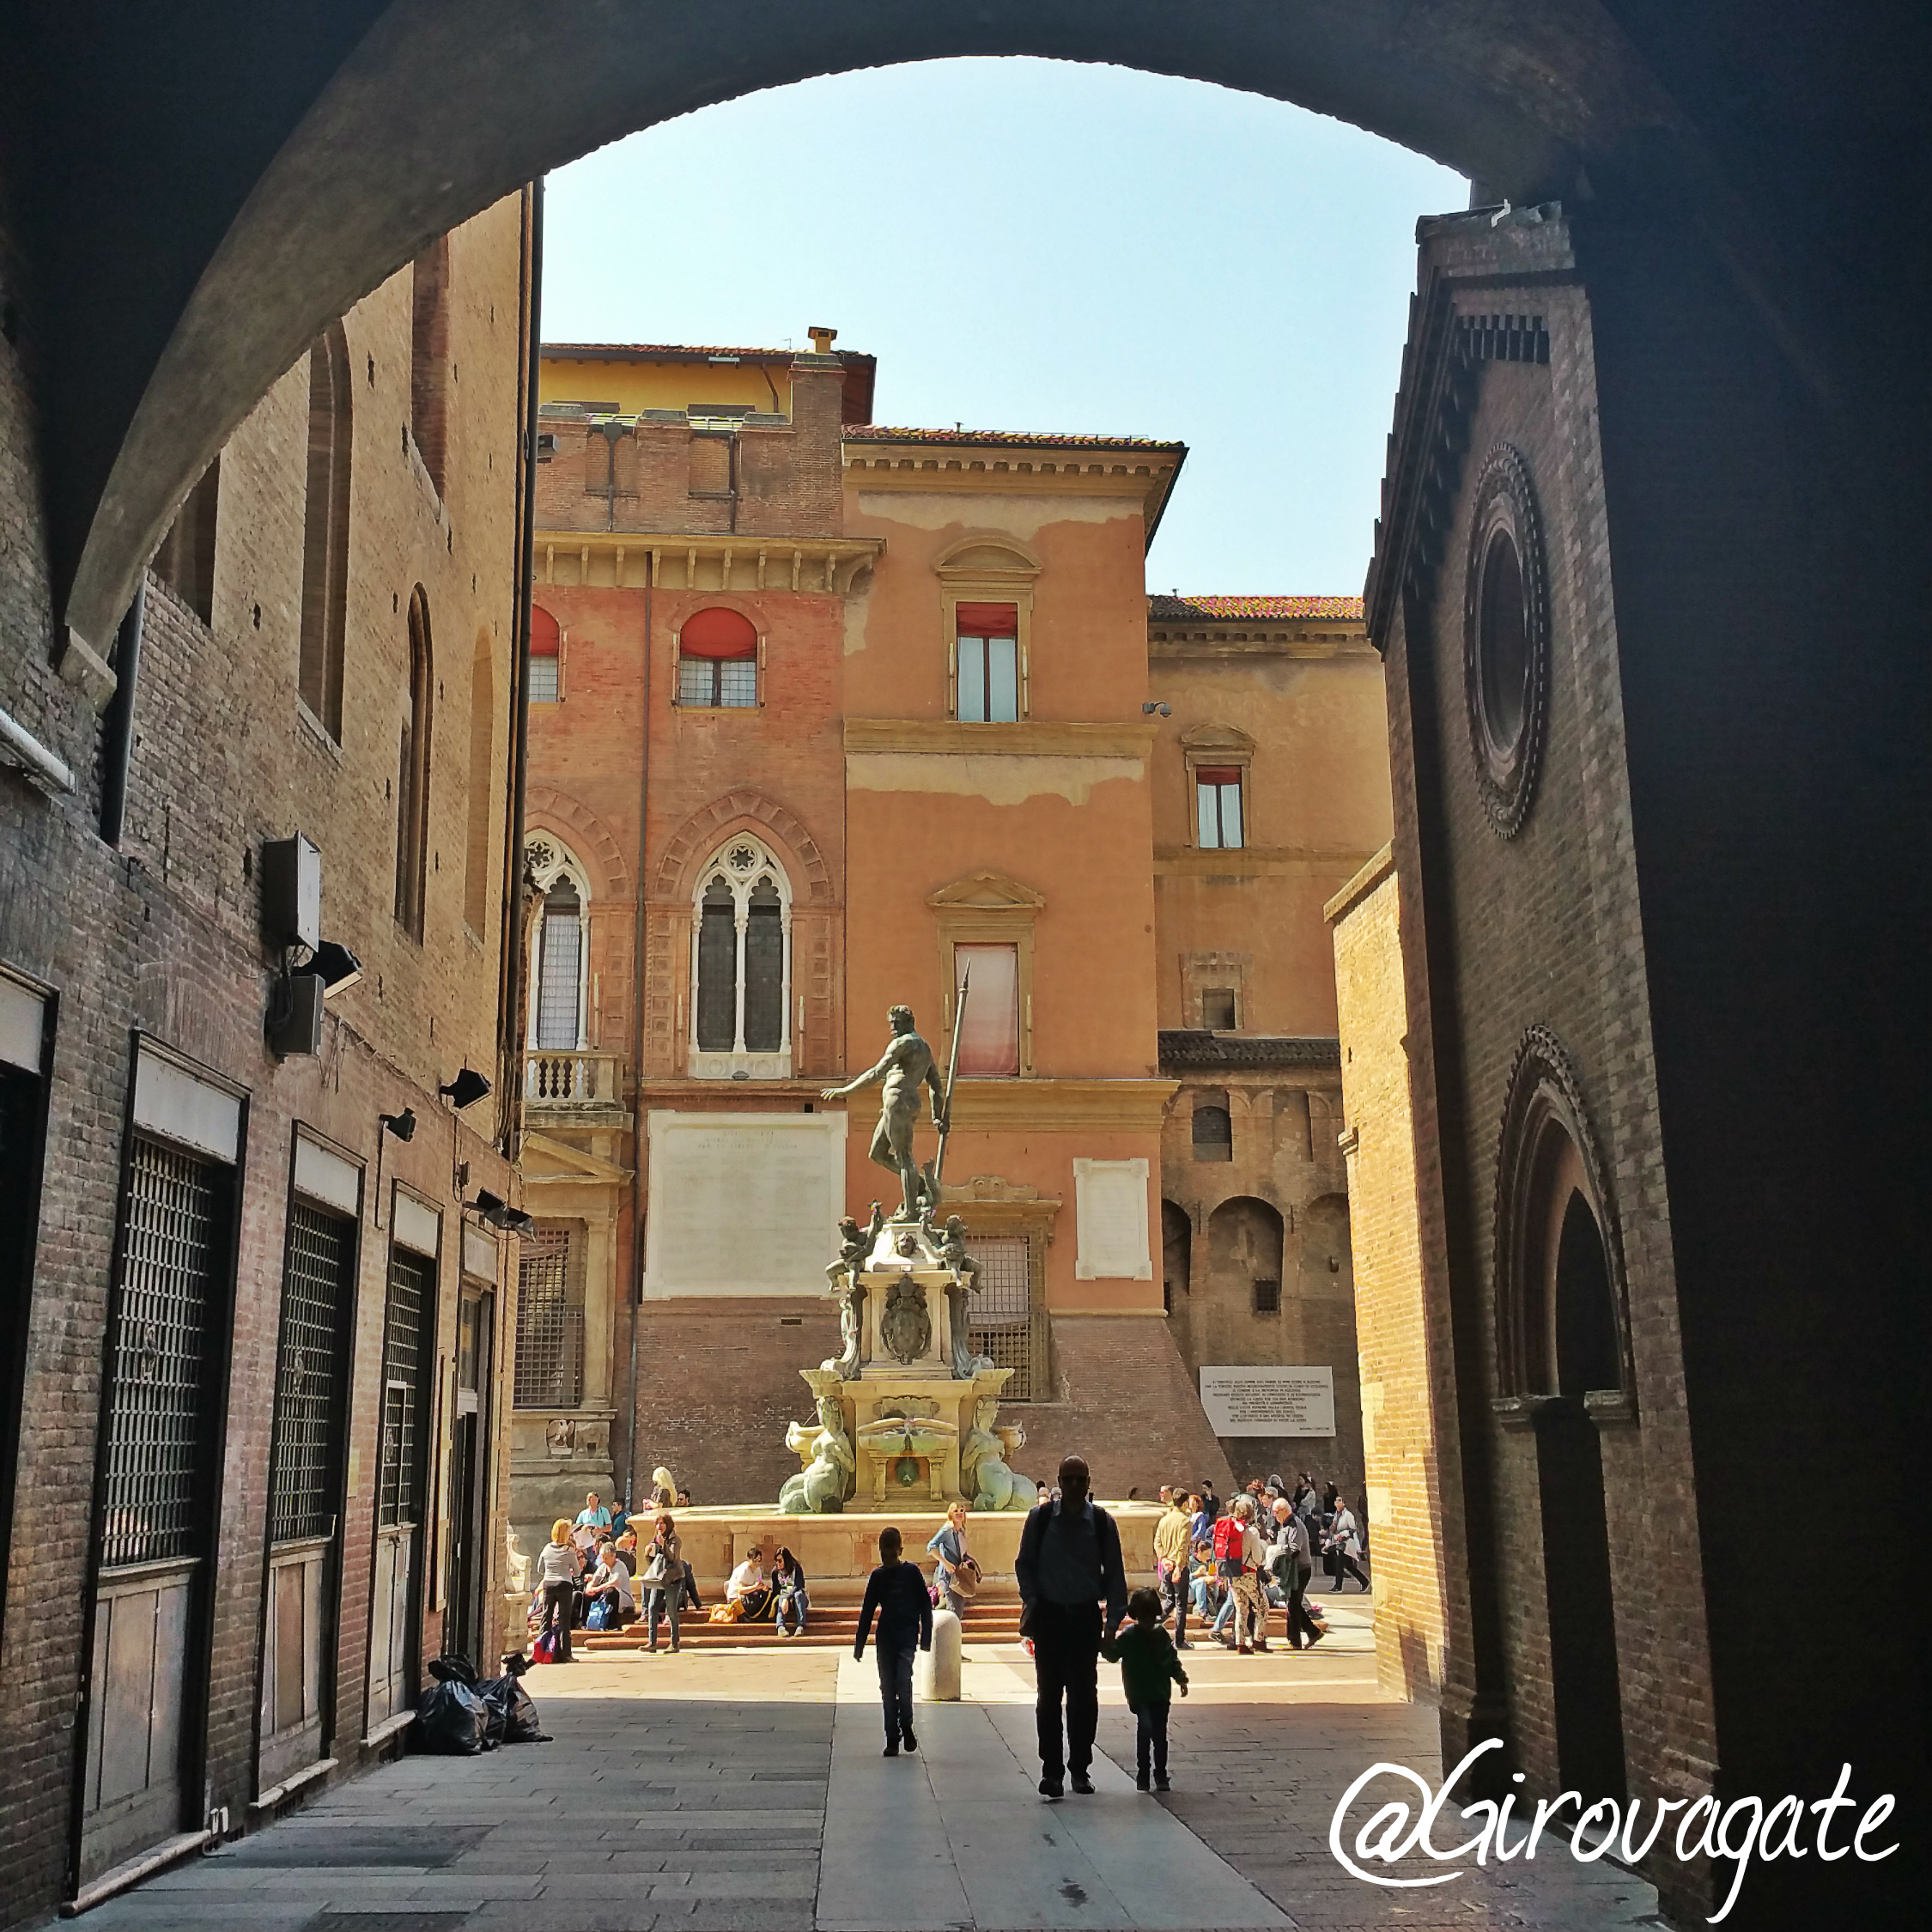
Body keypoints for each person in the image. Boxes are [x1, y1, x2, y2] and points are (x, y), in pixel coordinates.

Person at [1014, 1454, 1127, 1800]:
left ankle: (1080, 1767)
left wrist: (1111, 1627)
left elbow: (1115, 1576)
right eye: (1070, 1479)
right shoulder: (1041, 1518)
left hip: (1083, 1617)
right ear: (1060, 1483)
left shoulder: (1104, 1523)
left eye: (1081, 1479)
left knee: (1083, 1698)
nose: (1076, 1485)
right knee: (1048, 1697)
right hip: (1049, 1616)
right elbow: (1024, 1565)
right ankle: (1051, 1771)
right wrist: (1033, 1600)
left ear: (1089, 1482)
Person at [819, 1004, 951, 1221]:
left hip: (897, 1099)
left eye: (896, 1023)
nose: (892, 1028)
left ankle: (909, 1211)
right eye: (891, 1023)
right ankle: (917, 1184)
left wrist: (846, 1090)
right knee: (877, 1153)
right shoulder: (925, 1049)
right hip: (904, 1102)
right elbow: (936, 1085)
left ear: (909, 1022)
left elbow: (876, 1072)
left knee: (904, 1156)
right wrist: (937, 1115)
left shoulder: (903, 1043)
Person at [854, 1526, 933, 1757]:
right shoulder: (886, 1575)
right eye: (884, 1550)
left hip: (900, 1635)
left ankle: (902, 1729)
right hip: (893, 1636)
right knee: (892, 1685)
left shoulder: (907, 1573)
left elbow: (925, 1606)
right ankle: (895, 1734)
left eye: (889, 1550)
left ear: (899, 1549)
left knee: (898, 1683)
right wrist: (859, 1644)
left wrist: (926, 1637)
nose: (887, 1554)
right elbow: (867, 1611)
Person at [1103, 1585, 1188, 1791]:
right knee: (1157, 1734)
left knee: (1148, 1731)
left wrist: (1104, 1641)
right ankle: (1157, 1775)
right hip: (1157, 1692)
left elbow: (1113, 1655)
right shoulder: (1159, 1635)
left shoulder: (1130, 1635)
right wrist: (1180, 1678)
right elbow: (1172, 1660)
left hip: (1140, 1692)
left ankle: (1148, 1775)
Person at [1271, 1498, 1323, 1649]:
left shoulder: (1294, 1525)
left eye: (1276, 1512)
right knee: (1293, 1604)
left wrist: (1279, 1557)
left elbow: (1294, 1548)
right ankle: (1313, 1632)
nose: (1274, 1515)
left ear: (1284, 1510)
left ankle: (1295, 1641)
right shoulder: (1284, 1525)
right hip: (1291, 1570)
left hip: (1299, 1569)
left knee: (1293, 1604)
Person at [1153, 1487, 1195, 1649]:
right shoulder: (1185, 1521)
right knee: (1180, 1604)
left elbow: (1157, 1542)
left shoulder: (1164, 1520)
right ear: (1184, 1503)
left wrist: (1163, 1559)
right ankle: (1179, 1639)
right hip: (1179, 1566)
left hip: (1166, 1565)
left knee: (1170, 1600)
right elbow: (1182, 1546)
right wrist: (1178, 1566)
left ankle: (1153, 1624)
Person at [534, 1517, 580, 1662]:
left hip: (548, 1584)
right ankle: (565, 1654)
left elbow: (540, 1569)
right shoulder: (570, 1551)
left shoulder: (547, 1548)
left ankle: (542, 1652)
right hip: (564, 1584)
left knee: (546, 1618)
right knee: (564, 1620)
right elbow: (577, 1572)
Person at [640, 1512, 683, 1652]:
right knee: (652, 1607)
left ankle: (674, 1643)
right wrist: (648, 1553)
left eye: (662, 1523)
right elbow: (653, 1563)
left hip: (672, 1578)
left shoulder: (675, 1540)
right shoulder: (657, 1539)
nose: (659, 1526)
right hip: (659, 1578)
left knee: (671, 1610)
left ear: (668, 1525)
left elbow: (672, 1558)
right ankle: (652, 1643)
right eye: (658, 1524)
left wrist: (663, 1545)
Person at [927, 1502, 974, 1613]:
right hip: (948, 1576)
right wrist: (945, 1563)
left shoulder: (961, 1531)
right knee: (954, 1609)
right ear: (950, 1514)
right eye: (956, 1511)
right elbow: (931, 1547)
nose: (959, 1513)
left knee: (957, 1607)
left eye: (961, 1510)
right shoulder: (947, 1530)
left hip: (959, 1575)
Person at [585, 1535, 635, 1629]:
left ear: (613, 1556)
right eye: (602, 1558)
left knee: (611, 1591)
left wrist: (597, 1589)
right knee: (587, 1594)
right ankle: (586, 1621)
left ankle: (612, 1624)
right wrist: (589, 1587)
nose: (603, 1560)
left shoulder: (620, 1566)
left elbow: (614, 1582)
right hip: (604, 1594)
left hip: (622, 1597)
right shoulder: (603, 1566)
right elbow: (595, 1579)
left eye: (606, 1558)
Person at [1325, 1495, 1371, 1592]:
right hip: (1338, 1541)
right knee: (1348, 1566)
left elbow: (1353, 1529)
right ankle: (1364, 1581)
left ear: (1344, 1503)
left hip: (1346, 1543)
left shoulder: (1348, 1515)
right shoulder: (1336, 1515)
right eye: (1336, 1501)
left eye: (1339, 1501)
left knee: (1339, 1564)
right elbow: (1334, 1530)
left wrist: (1344, 1534)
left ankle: (1338, 1586)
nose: (1337, 1503)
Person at [723, 1544, 774, 1621]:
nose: (756, 1563)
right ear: (748, 1559)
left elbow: (759, 1582)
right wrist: (755, 1587)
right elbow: (740, 1591)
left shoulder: (758, 1570)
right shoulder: (744, 1569)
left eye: (759, 1561)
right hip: (737, 1599)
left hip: (751, 1596)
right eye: (754, 1561)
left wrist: (762, 1587)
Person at [772, 1546, 810, 1637]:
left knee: (798, 1594)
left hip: (797, 1598)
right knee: (781, 1597)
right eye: (776, 1561)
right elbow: (776, 1590)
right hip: (784, 1599)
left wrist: (788, 1597)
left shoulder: (796, 1569)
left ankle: (801, 1626)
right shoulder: (775, 1572)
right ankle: (780, 1626)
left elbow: (798, 1586)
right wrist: (785, 1598)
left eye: (780, 1561)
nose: (778, 1563)